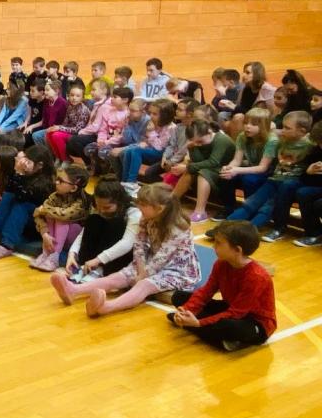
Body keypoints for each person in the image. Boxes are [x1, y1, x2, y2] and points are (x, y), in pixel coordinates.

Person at [50, 183, 200, 318]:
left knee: (144, 285)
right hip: (151, 260)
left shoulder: (178, 229)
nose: (138, 206)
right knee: (120, 276)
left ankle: (106, 307)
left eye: (143, 204)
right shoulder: (146, 218)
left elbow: (161, 259)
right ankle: (74, 290)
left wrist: (142, 276)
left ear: (159, 209)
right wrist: (139, 268)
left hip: (177, 270)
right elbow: (139, 244)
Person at [168, 220, 275, 352]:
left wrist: (198, 323)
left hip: (254, 322)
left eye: (218, 243)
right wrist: (186, 310)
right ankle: (213, 335)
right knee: (179, 297)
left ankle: (194, 326)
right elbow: (206, 292)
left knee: (227, 325)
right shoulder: (221, 264)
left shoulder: (256, 276)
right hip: (230, 308)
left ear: (237, 250)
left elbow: (236, 313)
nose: (213, 246)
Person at [209, 110, 312, 242]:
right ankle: (224, 228)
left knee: (267, 208)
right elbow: (273, 130)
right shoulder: (283, 140)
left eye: (287, 128)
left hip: (289, 184)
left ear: (302, 131)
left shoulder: (310, 145)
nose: (283, 130)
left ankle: (246, 232)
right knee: (250, 203)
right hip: (274, 180)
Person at [0, 145, 56, 260]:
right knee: (8, 196)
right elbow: (10, 189)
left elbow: (23, 196)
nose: (24, 163)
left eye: (28, 161)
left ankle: (7, 244)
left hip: (37, 223)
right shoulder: (28, 174)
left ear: (40, 165)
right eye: (25, 159)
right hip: (19, 219)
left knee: (22, 205)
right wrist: (17, 173)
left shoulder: (46, 182)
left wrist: (20, 174)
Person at [64, 176, 142, 282]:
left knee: (116, 223)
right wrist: (72, 254)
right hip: (98, 256)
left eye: (107, 207)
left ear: (119, 203)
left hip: (119, 259)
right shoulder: (99, 207)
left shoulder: (134, 212)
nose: (101, 210)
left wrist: (98, 260)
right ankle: (85, 267)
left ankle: (100, 270)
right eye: (98, 206)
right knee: (93, 219)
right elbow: (84, 234)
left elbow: (127, 243)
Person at [171, 119, 236, 223]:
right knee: (191, 171)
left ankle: (200, 211)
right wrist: (192, 149)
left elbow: (213, 162)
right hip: (213, 169)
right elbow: (198, 161)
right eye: (194, 142)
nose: (198, 144)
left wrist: (187, 167)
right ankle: (171, 201)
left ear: (209, 132)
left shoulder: (222, 140)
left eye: (200, 141)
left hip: (227, 170)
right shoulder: (198, 143)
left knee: (202, 173)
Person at [30, 164, 92, 272]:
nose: (56, 182)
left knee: (60, 219)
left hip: (75, 240)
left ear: (73, 188)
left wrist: (43, 210)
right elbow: (37, 214)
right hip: (57, 238)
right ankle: (46, 254)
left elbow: (63, 215)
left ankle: (54, 257)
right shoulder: (55, 196)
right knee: (51, 216)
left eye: (61, 181)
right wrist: (44, 234)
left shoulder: (81, 202)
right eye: (57, 179)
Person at [217, 108, 277, 216]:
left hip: (267, 173)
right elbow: (236, 160)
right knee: (225, 175)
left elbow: (262, 168)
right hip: (250, 168)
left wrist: (237, 170)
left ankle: (250, 211)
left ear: (263, 126)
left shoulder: (272, 141)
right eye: (246, 123)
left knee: (249, 179)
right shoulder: (242, 136)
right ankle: (229, 208)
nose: (247, 126)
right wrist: (229, 168)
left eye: (253, 124)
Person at [119, 99, 176, 194]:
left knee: (136, 151)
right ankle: (125, 181)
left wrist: (151, 131)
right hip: (151, 150)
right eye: (150, 113)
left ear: (165, 115)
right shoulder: (154, 123)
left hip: (162, 154)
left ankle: (131, 182)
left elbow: (159, 147)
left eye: (155, 114)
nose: (151, 116)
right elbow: (147, 141)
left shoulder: (171, 128)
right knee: (129, 151)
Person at [293, 121, 322, 247]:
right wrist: (309, 172)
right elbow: (305, 180)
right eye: (320, 143)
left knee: (319, 204)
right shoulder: (316, 151)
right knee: (303, 192)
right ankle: (314, 234)